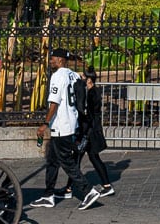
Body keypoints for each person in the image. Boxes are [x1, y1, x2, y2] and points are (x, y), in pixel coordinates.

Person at [31, 50, 101, 210]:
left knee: (66, 162)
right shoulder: (74, 75)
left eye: (53, 58)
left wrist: (45, 124)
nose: (51, 60)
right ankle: (48, 195)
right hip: (71, 123)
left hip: (61, 125)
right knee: (52, 161)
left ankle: (88, 191)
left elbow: (54, 103)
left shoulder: (58, 77)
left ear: (61, 60)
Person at [62, 69, 114, 200]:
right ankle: (106, 186)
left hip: (89, 131)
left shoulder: (92, 93)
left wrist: (84, 131)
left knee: (78, 159)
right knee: (92, 158)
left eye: (84, 76)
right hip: (91, 130)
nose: (82, 78)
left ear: (89, 80)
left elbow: (90, 115)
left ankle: (69, 189)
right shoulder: (93, 91)